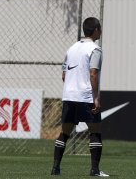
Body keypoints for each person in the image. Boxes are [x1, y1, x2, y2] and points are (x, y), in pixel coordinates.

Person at [51, 17, 109, 177]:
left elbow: (64, 74)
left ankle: (55, 168)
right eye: (100, 28)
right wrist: (96, 97)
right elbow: (93, 74)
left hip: (69, 96)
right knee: (95, 132)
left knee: (65, 132)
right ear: (96, 29)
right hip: (85, 97)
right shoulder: (95, 49)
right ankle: (95, 170)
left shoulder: (71, 48)